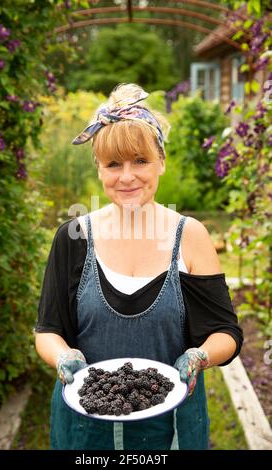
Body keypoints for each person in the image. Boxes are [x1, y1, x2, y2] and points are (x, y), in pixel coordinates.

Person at [35, 83, 243, 450]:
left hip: (170, 430)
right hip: (85, 430)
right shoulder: (74, 237)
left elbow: (226, 332)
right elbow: (48, 330)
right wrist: (62, 355)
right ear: (99, 168)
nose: (127, 176)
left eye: (140, 161)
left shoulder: (190, 236)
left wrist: (201, 355)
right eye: (114, 164)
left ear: (161, 161)